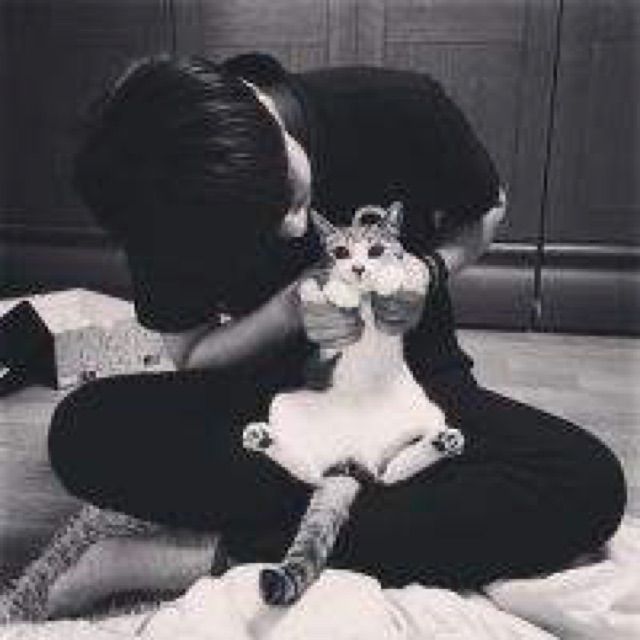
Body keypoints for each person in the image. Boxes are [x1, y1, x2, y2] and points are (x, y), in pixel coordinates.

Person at [47, 53, 625, 611]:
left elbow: (485, 208)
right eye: (261, 227)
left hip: (411, 387)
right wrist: (287, 311)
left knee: (586, 483)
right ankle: (389, 512)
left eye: (289, 193)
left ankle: (210, 555)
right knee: (81, 433)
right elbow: (194, 353)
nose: (296, 226)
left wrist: (427, 270)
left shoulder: (397, 106)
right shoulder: (160, 199)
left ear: (262, 115)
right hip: (269, 404)